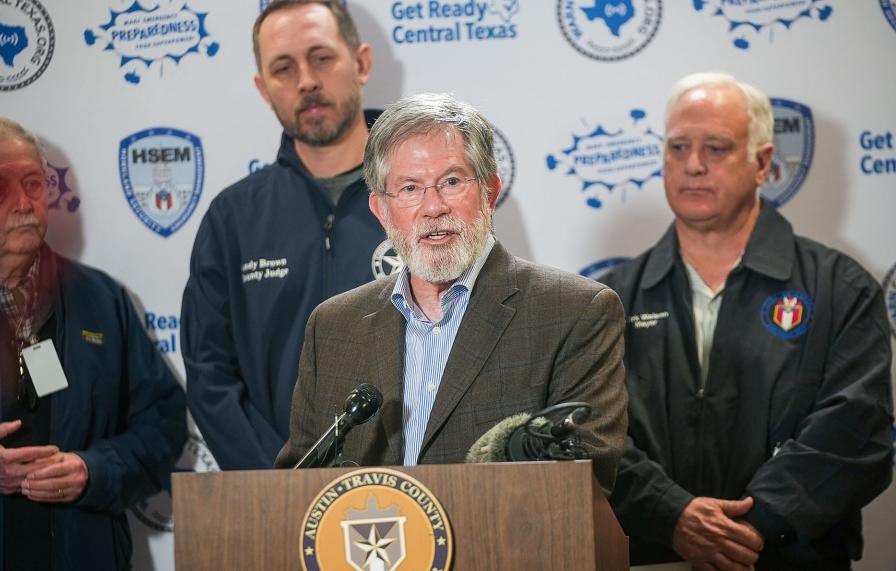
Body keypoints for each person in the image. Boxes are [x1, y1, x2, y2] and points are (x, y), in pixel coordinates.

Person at [602, 72, 894, 570]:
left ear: (762, 164)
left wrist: (746, 530)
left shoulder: (839, 287)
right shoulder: (609, 299)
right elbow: (593, 432)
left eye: (715, 148)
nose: (693, 165)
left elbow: (856, 429)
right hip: (655, 557)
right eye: (677, 148)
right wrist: (673, 517)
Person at [275, 93, 628, 493]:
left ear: (490, 192)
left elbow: (587, 476)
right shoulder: (333, 327)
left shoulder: (574, 312)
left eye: (452, 182)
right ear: (381, 211)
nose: (432, 207)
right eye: (409, 188)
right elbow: (297, 488)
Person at [0, 116, 187, 570]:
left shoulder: (102, 299)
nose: (23, 203)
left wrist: (96, 470)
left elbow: (164, 425)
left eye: (34, 183)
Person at [181, 0, 388, 470]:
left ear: (361, 63)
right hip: (279, 501)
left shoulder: (423, 197)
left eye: (321, 57)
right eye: (283, 68)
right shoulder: (233, 218)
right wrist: (280, 479)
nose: (306, 81)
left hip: (420, 489)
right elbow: (211, 377)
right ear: (263, 88)